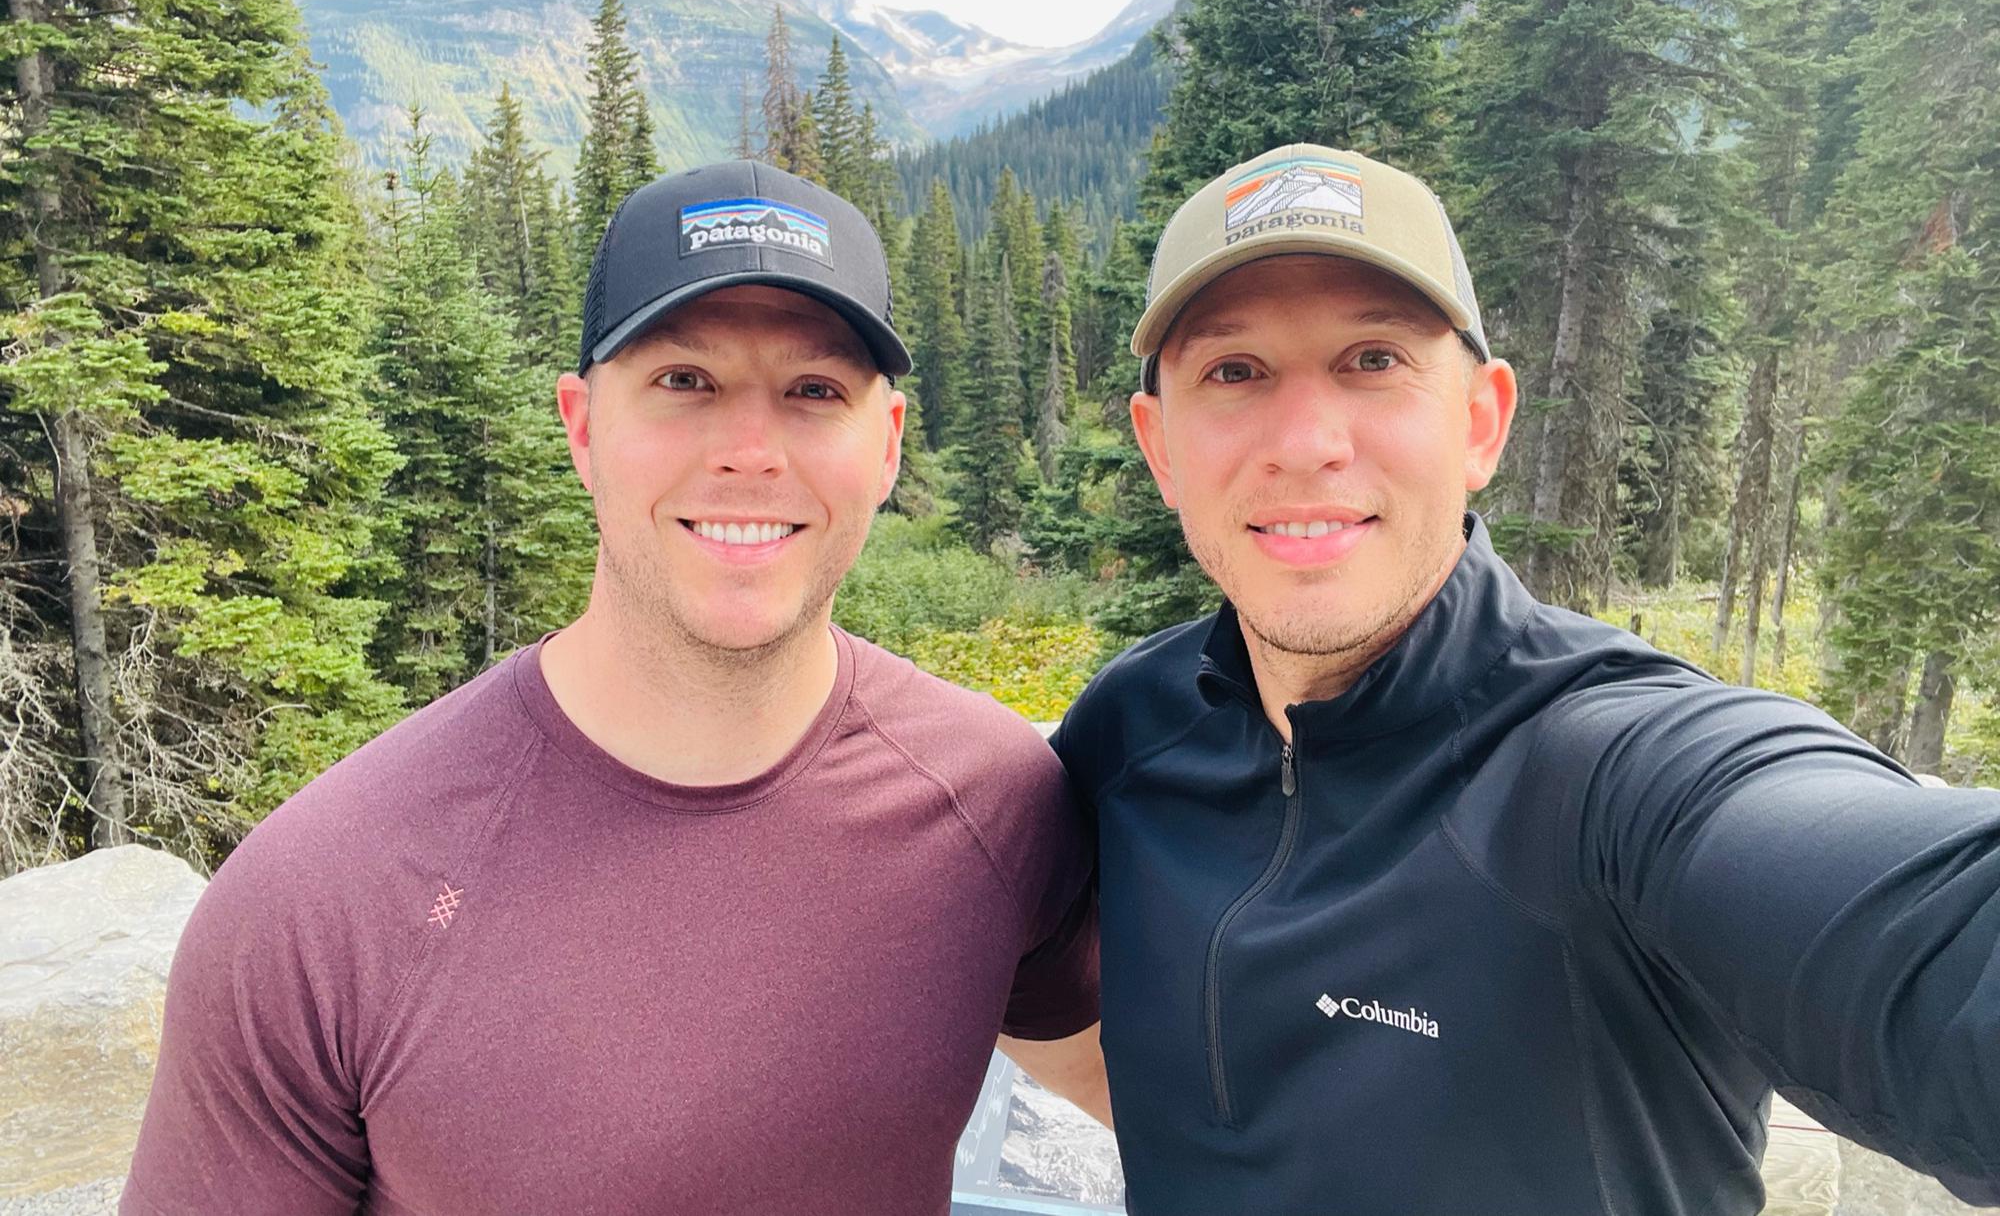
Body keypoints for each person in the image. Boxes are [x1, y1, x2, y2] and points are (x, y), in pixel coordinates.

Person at [123, 160, 1106, 1216]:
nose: (749, 452)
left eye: (813, 391)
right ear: (582, 425)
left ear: (888, 445)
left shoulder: (994, 803)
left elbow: (1193, 1105)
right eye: (684, 381)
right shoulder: (323, 900)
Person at [1051, 143, 2000, 1215]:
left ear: (1479, 422)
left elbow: (1921, 934)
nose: (1306, 443)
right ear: (1159, 448)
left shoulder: (1611, 769)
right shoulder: (1127, 732)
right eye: (1233, 372)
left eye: (1372, 360)